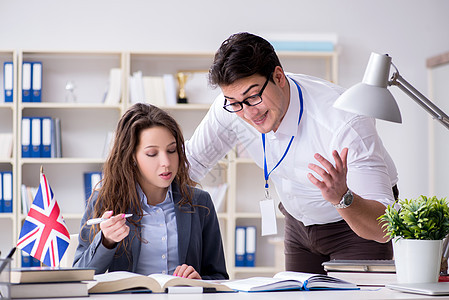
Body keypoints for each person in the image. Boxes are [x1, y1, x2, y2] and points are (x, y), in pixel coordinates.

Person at [185, 32, 399, 274]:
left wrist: (343, 196)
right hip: (298, 224)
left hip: (354, 225)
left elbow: (384, 228)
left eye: (253, 97)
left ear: (278, 76)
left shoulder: (343, 120)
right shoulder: (231, 108)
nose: (248, 113)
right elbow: (190, 163)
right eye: (234, 102)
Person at [73, 103, 228, 280]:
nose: (166, 162)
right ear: (131, 157)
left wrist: (199, 282)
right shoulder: (104, 201)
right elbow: (80, 275)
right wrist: (106, 241)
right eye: (152, 154)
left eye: (172, 150)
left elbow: (220, 276)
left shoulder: (200, 202)